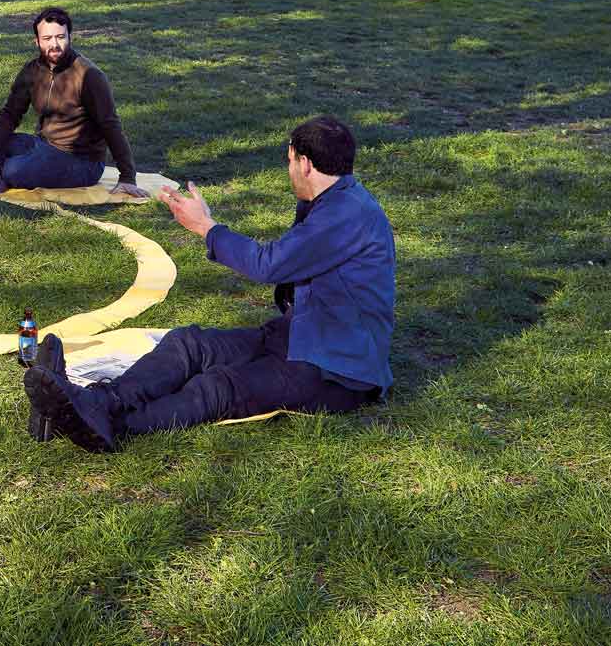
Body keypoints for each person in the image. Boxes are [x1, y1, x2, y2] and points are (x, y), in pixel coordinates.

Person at [24, 115, 393, 452]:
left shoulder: (345, 215)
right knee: (189, 344)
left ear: (305, 163)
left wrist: (206, 226)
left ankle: (105, 423)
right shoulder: (334, 201)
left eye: (290, 160)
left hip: (337, 368)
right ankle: (97, 403)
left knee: (220, 386)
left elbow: (269, 264)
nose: (289, 170)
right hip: (299, 335)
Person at [0, 6, 146, 197]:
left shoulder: (89, 75)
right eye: (47, 38)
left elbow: (110, 125)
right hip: (43, 145)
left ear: (70, 37)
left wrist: (127, 177)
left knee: (14, 169)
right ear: (37, 41)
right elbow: (10, 113)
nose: (55, 44)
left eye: (60, 37)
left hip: (81, 161)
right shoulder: (32, 71)